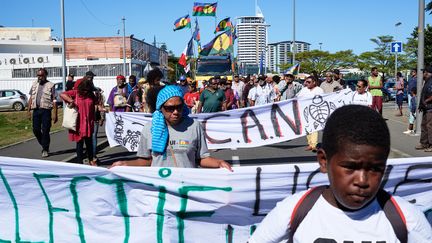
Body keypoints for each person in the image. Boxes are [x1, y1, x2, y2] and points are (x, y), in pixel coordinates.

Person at [249, 105, 432, 243]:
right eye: (350, 168)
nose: (362, 181)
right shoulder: (294, 211)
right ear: (323, 161)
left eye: (375, 169)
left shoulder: (406, 218)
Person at [110, 85, 232, 170]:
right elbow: (146, 161)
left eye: (179, 107)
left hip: (186, 190)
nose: (175, 112)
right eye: (169, 108)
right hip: (160, 192)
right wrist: (125, 164)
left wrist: (219, 162)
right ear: (161, 108)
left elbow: (201, 159)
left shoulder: (194, 126)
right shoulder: (149, 129)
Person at [61, 77, 102, 165]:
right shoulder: (75, 93)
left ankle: (91, 160)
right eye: (85, 90)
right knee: (79, 142)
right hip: (79, 122)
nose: (87, 91)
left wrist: (102, 111)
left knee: (89, 142)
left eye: (88, 89)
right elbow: (62, 94)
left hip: (88, 121)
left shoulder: (91, 94)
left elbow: (97, 104)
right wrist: (71, 100)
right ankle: (80, 163)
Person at [27, 68, 58, 157]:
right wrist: (28, 111)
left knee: (45, 130)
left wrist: (55, 114)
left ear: (45, 75)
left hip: (46, 111)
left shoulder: (50, 85)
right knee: (35, 129)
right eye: (38, 75)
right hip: (36, 110)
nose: (39, 77)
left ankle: (45, 149)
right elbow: (31, 98)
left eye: (41, 75)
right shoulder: (34, 84)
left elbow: (54, 100)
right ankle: (44, 144)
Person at [296, 76, 324, 152]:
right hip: (305, 111)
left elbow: (321, 100)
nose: (306, 83)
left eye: (309, 82)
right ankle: (310, 144)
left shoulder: (319, 90)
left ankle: (314, 145)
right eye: (306, 82)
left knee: (314, 128)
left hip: (315, 111)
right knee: (307, 128)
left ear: (314, 82)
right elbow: (298, 98)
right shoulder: (304, 90)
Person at [416, 66, 432, 152]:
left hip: (430, 108)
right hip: (426, 108)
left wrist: (426, 101)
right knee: (424, 125)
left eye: (423, 72)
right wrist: (421, 105)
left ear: (426, 72)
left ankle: (431, 145)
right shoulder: (427, 81)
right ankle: (424, 143)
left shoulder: (431, 81)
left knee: (430, 126)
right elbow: (423, 94)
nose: (422, 74)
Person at [405, 68, 417, 134]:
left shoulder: (417, 78)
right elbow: (408, 84)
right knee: (410, 107)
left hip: (414, 94)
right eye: (412, 72)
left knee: (413, 107)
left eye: (413, 72)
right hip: (410, 93)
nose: (412, 73)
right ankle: (412, 117)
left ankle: (411, 124)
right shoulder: (410, 78)